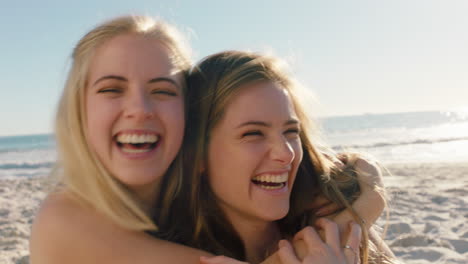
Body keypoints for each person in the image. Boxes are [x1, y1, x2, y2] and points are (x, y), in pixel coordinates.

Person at [30, 15, 387, 264]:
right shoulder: (67, 219)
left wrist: (362, 182)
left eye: (162, 90)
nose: (139, 109)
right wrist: (364, 208)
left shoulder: (320, 201)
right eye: (252, 133)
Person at [157, 50, 397, 264]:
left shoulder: (333, 215)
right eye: (253, 133)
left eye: (291, 131)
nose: (286, 153)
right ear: (196, 154)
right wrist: (371, 204)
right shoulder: (168, 254)